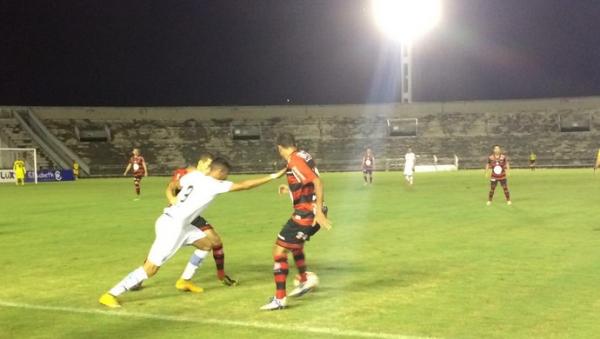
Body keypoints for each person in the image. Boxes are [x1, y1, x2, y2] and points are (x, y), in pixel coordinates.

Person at [99, 158, 286, 308]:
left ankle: (184, 280)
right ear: (220, 172)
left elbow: (173, 184)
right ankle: (111, 294)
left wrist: (172, 197)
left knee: (206, 245)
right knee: (151, 268)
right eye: (226, 174)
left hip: (179, 223)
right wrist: (272, 176)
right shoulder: (214, 183)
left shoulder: (194, 176)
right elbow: (244, 185)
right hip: (172, 227)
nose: (226, 177)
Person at [260, 133, 332, 311]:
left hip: (306, 215)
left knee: (279, 252)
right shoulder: (303, 155)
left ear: (280, 148)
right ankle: (305, 280)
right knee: (295, 246)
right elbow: (306, 180)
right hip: (312, 213)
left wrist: (319, 212)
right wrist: (291, 189)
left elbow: (317, 181)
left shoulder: (294, 161)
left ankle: (279, 299)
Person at [166, 153, 238, 287]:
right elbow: (172, 186)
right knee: (164, 248)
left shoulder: (204, 178)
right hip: (178, 214)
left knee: (216, 241)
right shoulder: (187, 174)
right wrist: (171, 199)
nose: (209, 169)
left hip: (193, 215)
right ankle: (142, 276)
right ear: (200, 163)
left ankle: (221, 275)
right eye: (207, 165)